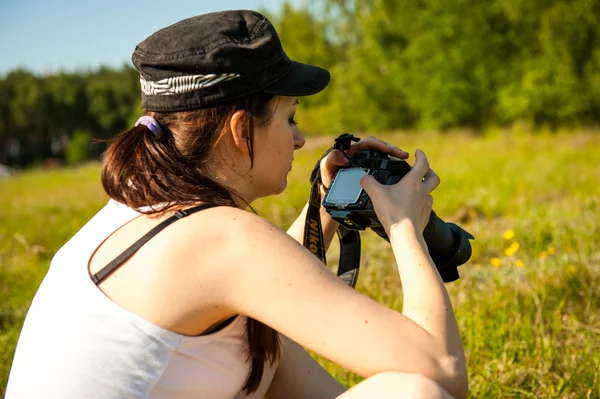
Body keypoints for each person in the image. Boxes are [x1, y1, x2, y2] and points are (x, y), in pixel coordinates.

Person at [5, 10, 468, 399]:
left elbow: (261, 284)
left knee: (265, 344)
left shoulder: (137, 214)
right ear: (240, 130)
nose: (301, 139)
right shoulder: (221, 237)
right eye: (290, 118)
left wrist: (325, 205)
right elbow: (441, 370)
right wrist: (405, 224)